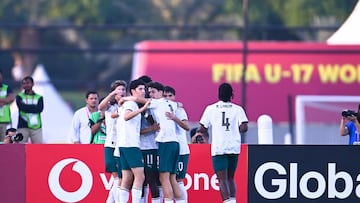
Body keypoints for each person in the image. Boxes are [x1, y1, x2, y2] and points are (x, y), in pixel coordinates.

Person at [199, 83, 248, 203]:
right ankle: (233, 201)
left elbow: (203, 127)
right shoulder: (238, 109)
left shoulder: (210, 109)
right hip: (234, 146)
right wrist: (236, 127)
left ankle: (227, 201)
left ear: (219, 94)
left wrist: (205, 129)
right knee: (231, 178)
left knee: (222, 179)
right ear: (232, 94)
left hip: (219, 147)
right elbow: (244, 127)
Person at [146, 82, 184, 203]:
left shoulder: (157, 103)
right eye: (149, 92)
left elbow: (137, 99)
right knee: (173, 178)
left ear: (161, 93)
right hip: (174, 143)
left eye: (153, 92)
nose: (150, 94)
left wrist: (124, 98)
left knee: (164, 178)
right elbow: (179, 104)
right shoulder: (171, 104)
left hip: (165, 143)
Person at [117, 79, 150, 203]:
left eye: (144, 89)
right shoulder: (131, 105)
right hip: (131, 144)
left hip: (123, 144)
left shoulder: (129, 103)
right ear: (132, 91)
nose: (143, 92)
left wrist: (125, 99)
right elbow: (126, 116)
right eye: (140, 89)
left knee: (126, 178)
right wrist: (142, 110)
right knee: (140, 176)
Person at [99, 80, 127, 203]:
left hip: (122, 144)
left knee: (120, 177)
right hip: (111, 143)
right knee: (116, 177)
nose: (121, 92)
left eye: (123, 90)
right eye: (119, 89)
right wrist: (111, 95)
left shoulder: (126, 106)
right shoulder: (110, 106)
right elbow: (100, 107)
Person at [164, 85, 190, 203]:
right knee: (166, 179)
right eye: (165, 96)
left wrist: (175, 118)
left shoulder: (179, 110)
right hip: (168, 148)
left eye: (170, 96)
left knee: (178, 180)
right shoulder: (161, 110)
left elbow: (186, 127)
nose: (168, 98)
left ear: (174, 97)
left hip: (181, 149)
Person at [16, 76, 44, 144]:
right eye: (24, 83)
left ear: (32, 84)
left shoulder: (39, 97)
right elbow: (21, 107)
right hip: (22, 125)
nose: (26, 85)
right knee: (20, 146)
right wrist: (34, 107)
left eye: (28, 83)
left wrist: (26, 107)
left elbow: (40, 109)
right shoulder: (19, 96)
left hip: (36, 126)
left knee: (38, 147)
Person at [0, 70, 15, 141]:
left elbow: (11, 98)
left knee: (4, 141)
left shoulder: (6, 88)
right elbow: (7, 99)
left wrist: (4, 101)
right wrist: (4, 100)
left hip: (4, 120)